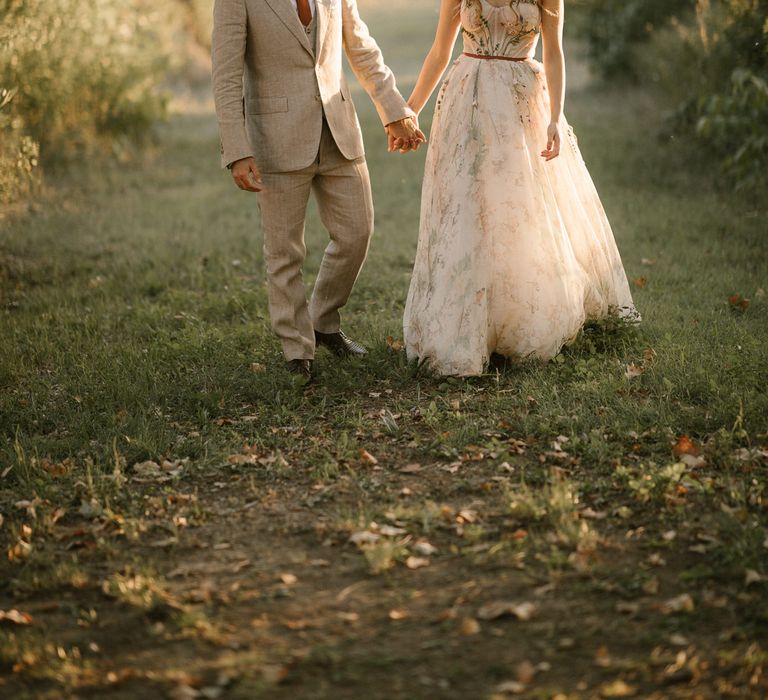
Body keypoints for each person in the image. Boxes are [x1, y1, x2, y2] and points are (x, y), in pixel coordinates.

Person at [403, 0, 637, 376]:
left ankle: (513, 320)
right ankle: (466, 326)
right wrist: (409, 110)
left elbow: (554, 54)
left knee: (516, 208)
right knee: (467, 209)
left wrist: (556, 118)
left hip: (520, 103)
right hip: (468, 101)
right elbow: (439, 51)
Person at [212, 0, 425, 382]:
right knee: (284, 252)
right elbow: (225, 75)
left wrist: (394, 109)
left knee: (357, 232)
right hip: (276, 139)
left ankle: (323, 320)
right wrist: (237, 149)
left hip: (338, 129)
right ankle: (297, 350)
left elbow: (359, 45)